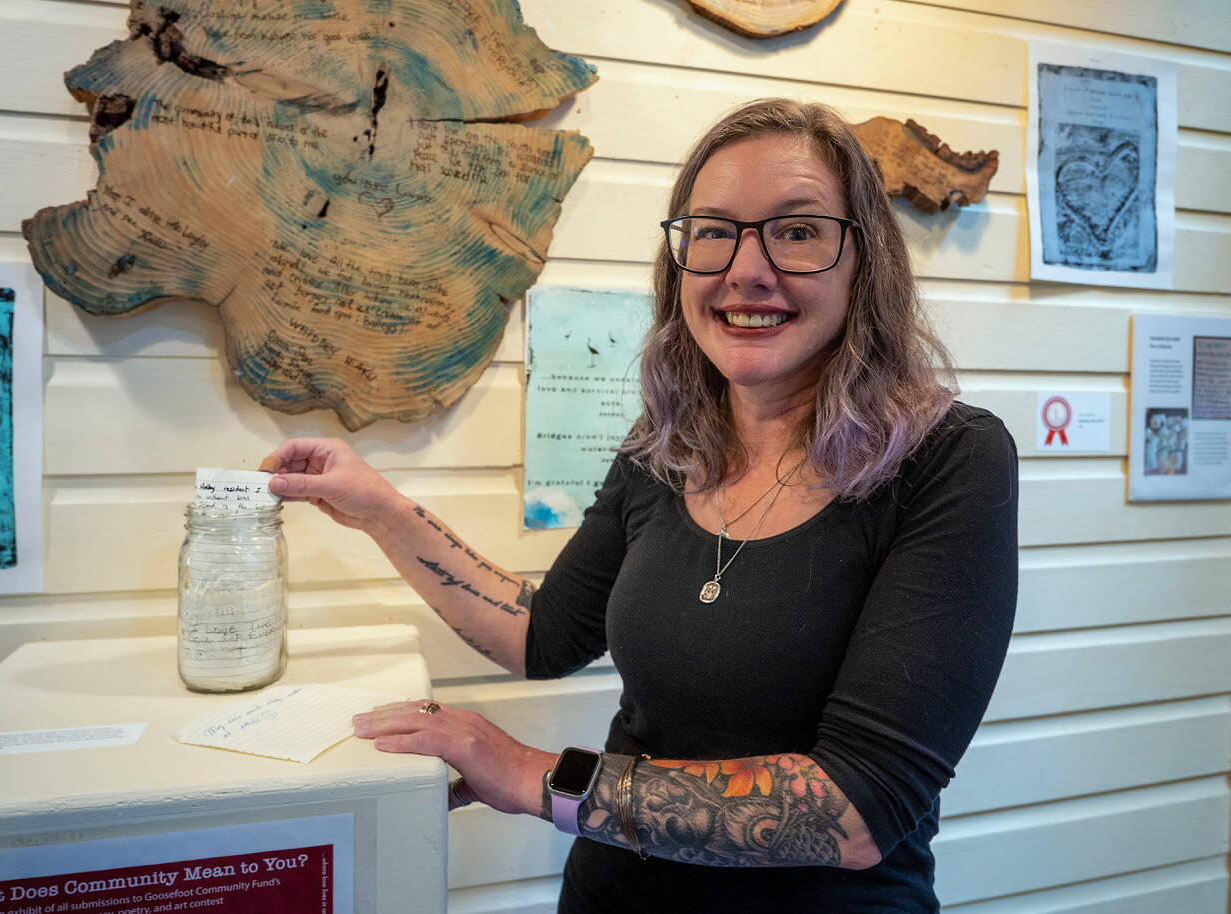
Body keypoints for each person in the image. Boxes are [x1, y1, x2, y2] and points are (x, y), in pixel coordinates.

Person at [264, 98, 1018, 912]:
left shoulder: (948, 459)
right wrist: (376, 505)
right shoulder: (668, 445)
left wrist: (531, 776)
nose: (747, 270)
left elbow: (853, 810)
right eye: (714, 232)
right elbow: (542, 631)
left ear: (863, 263)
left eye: (797, 231)